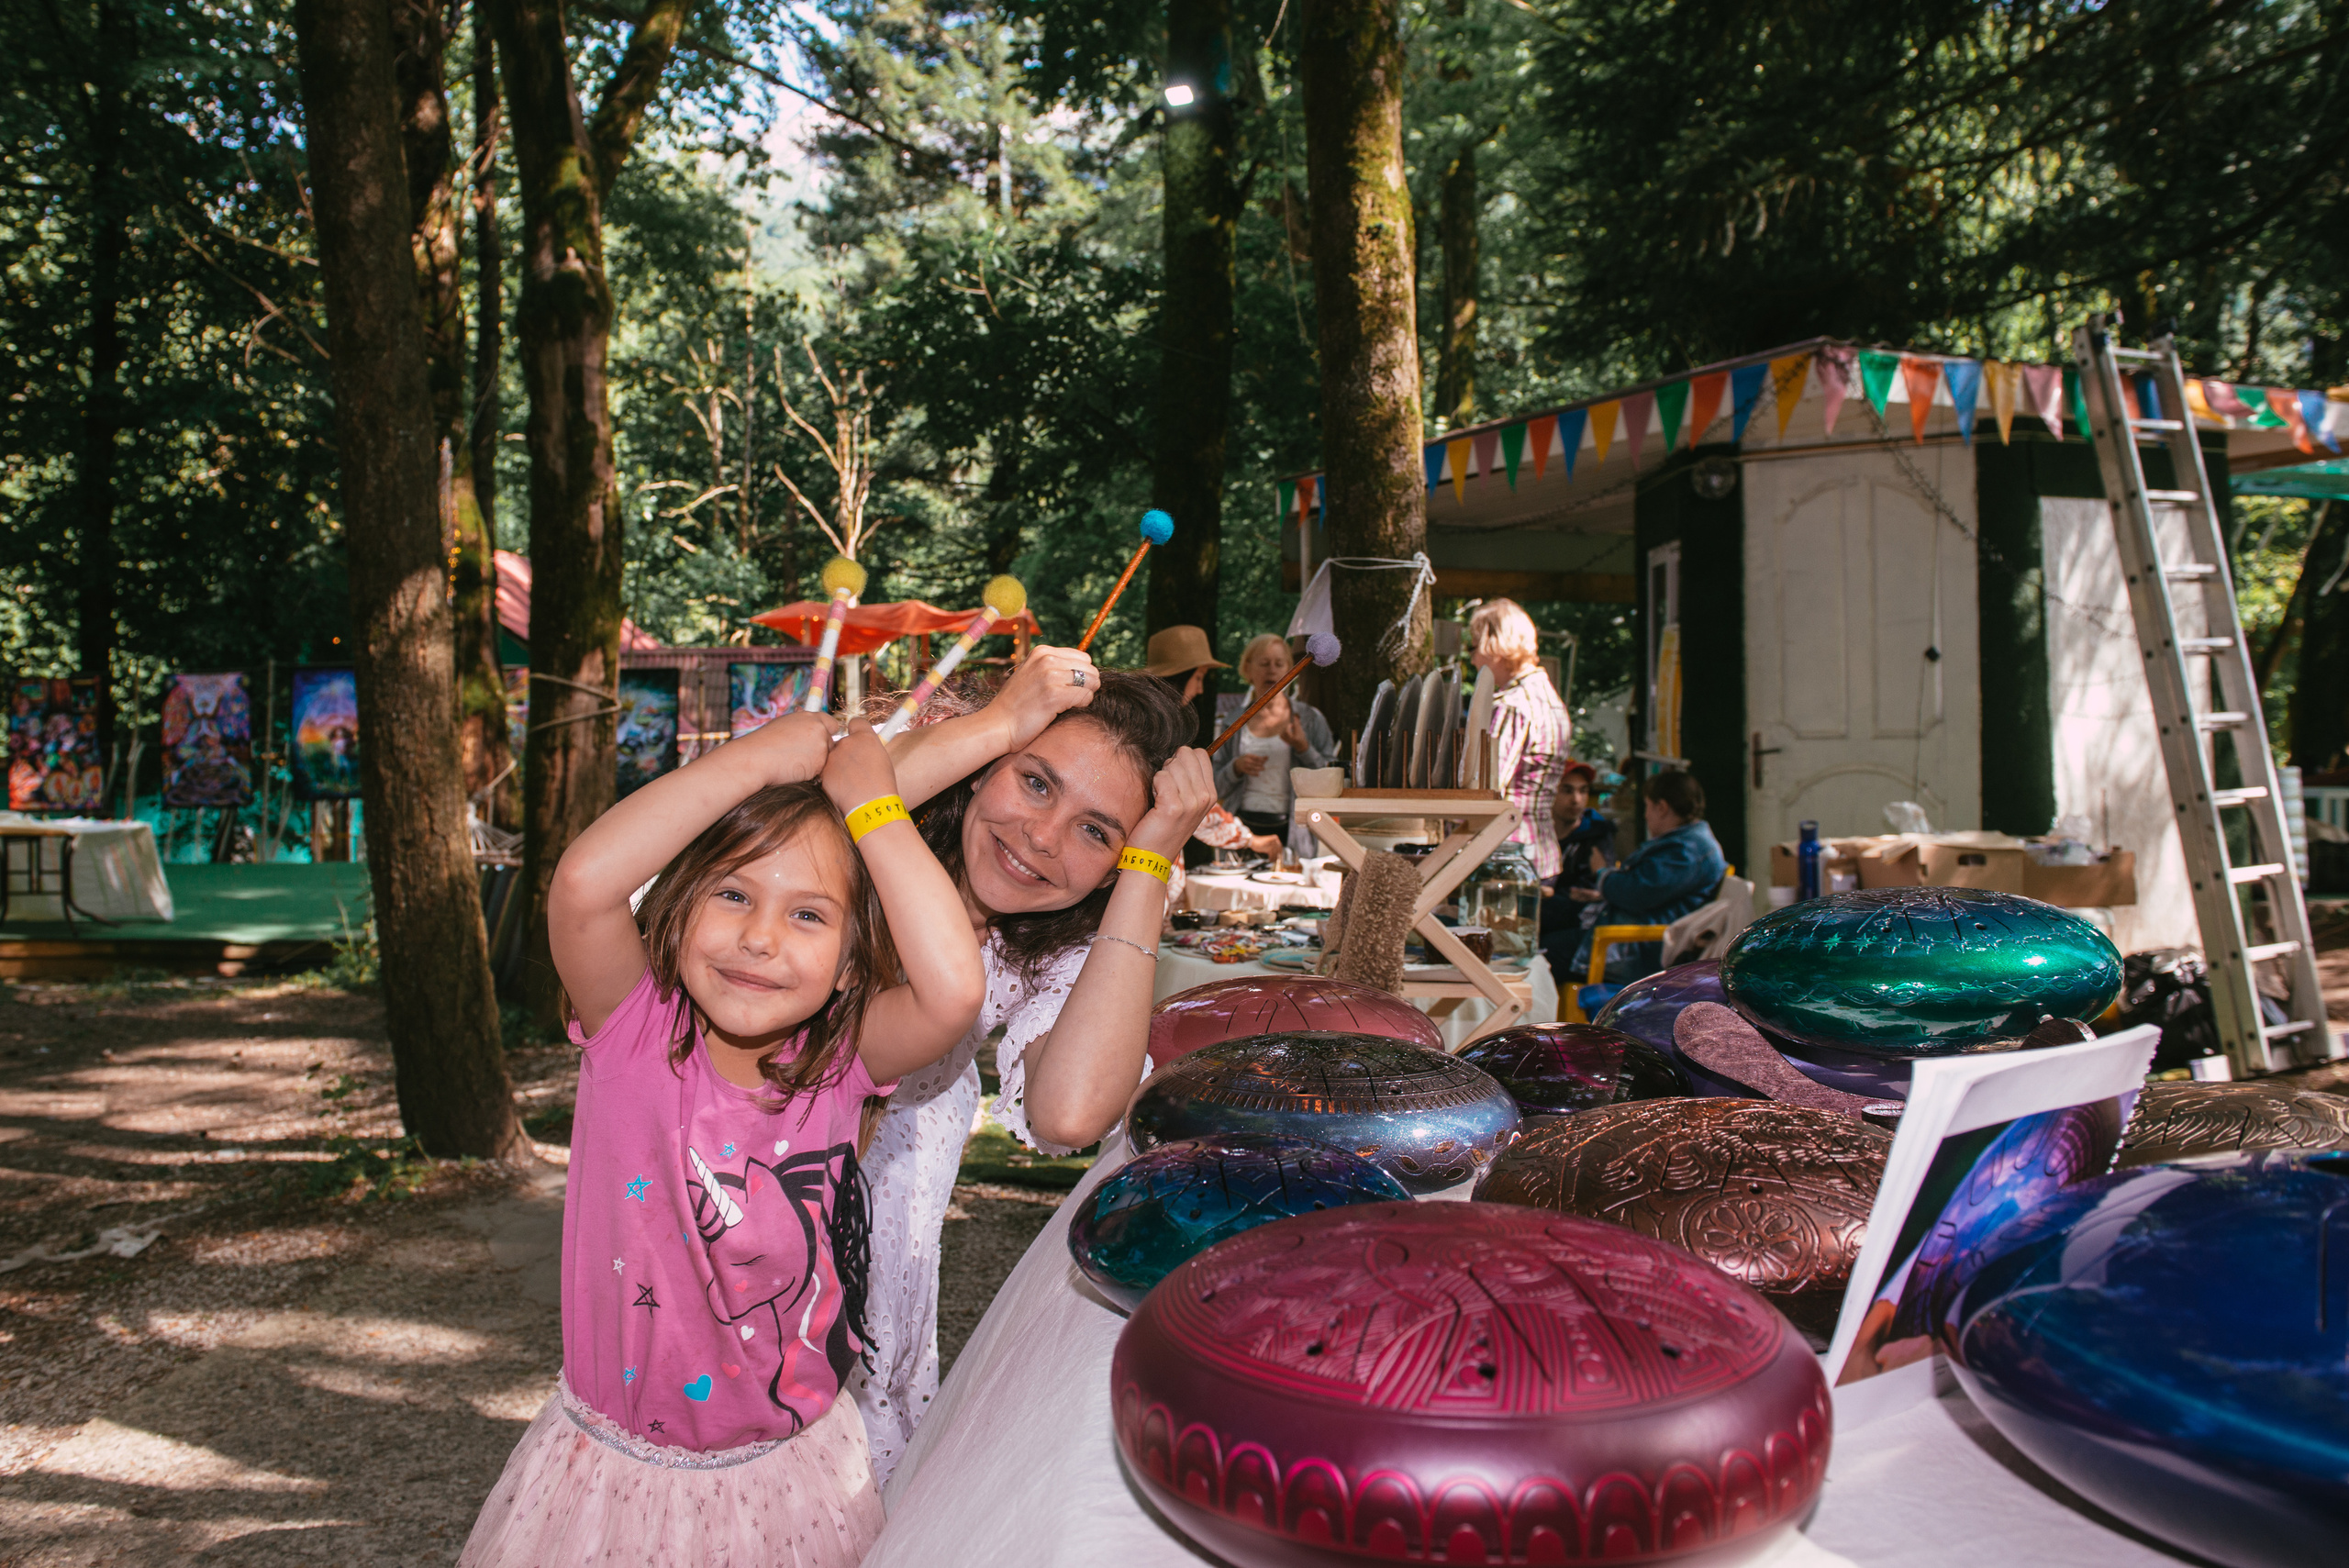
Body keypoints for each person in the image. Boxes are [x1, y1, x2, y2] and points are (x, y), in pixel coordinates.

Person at [460, 713, 987, 1565]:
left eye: (809, 915)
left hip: (789, 1479)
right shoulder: (631, 1028)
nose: (760, 937)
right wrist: (755, 761)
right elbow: (586, 880)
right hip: (611, 1487)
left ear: (853, 962)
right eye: (734, 893)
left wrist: (875, 806)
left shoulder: (842, 1062)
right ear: (678, 905)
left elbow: (955, 991)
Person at [851, 651, 1218, 1485]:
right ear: (986, 761)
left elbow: (1072, 1110)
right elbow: (847, 788)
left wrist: (1150, 861)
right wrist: (1002, 722)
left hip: (872, 1302)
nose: (1041, 838)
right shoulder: (856, 849)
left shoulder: (1043, 947)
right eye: (1036, 781)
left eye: (1098, 831)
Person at [1569, 770, 1726, 993]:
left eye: (1647, 806)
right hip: (1630, 934)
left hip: (1636, 951)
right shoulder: (1685, 842)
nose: (1645, 815)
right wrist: (1602, 893)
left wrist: (1602, 872)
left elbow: (1634, 893)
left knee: (1549, 950)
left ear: (1661, 807)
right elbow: (1650, 889)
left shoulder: (1687, 850)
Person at [1143, 623, 1279, 860]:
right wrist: (1249, 839)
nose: (1199, 688)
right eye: (1198, 677)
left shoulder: (1144, 723)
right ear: (1178, 677)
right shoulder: (1154, 734)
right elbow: (1192, 802)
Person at [1469, 599, 1573, 884]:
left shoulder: (1513, 704)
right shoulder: (1550, 698)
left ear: (1495, 647)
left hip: (1507, 856)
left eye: (1473, 647)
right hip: (1541, 852)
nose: (1473, 659)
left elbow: (1487, 789)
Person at [1213, 632, 1336, 843]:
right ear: (1248, 669)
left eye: (1279, 663)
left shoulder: (1311, 719)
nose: (1272, 669)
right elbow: (1213, 788)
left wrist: (1303, 748)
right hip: (1241, 831)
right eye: (1264, 663)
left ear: (1290, 670)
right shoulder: (1232, 722)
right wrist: (1236, 767)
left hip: (1295, 833)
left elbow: (1330, 783)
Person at [1538, 761, 1615, 973]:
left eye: (1583, 791)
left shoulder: (1597, 833)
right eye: (1567, 790)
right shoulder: (1535, 832)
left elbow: (1596, 889)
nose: (1576, 800)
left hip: (1576, 919)